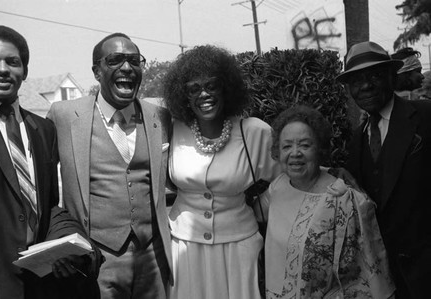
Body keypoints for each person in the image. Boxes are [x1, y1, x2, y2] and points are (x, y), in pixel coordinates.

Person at [0, 25, 100, 299]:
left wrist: (70, 242)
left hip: (41, 283)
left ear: (24, 70)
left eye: (13, 62)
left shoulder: (42, 129)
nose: (3, 69)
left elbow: (47, 207)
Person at [47, 32, 172, 299]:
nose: (127, 67)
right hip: (97, 258)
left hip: (153, 255)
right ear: (97, 71)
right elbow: (42, 187)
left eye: (134, 60)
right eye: (115, 60)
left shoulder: (159, 116)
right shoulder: (64, 116)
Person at [162, 45, 281, 299]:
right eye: (194, 88)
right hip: (184, 247)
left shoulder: (254, 132)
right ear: (183, 95)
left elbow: (287, 178)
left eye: (212, 85)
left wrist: (261, 205)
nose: (204, 94)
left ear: (226, 87)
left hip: (240, 247)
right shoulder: (173, 131)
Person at [260, 105, 394, 298]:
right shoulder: (277, 187)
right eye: (287, 146)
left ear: (320, 149)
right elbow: (247, 216)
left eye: (305, 145)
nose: (295, 153)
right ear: (277, 152)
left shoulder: (342, 197)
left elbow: (366, 272)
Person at [337, 41, 431, 299]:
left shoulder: (425, 116)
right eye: (356, 80)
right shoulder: (356, 140)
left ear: (392, 76)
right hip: (386, 280)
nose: (365, 85)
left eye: (374, 75)